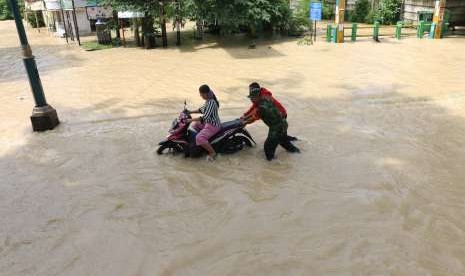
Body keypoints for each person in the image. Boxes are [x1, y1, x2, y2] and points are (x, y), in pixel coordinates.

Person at [242, 83, 300, 161]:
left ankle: (274, 167)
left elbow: (253, 117)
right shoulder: (262, 101)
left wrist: (244, 122)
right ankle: (299, 155)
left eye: (252, 97)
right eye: (250, 97)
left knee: (267, 148)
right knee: (286, 144)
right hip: (282, 124)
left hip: (277, 127)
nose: (251, 99)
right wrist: (243, 117)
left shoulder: (263, 107)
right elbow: (254, 110)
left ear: (258, 96)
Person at [186, 85, 222, 161]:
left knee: (199, 137)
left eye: (201, 94)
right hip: (207, 123)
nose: (200, 95)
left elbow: (205, 117)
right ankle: (203, 143)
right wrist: (190, 111)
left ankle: (212, 152)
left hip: (213, 125)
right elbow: (202, 110)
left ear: (205, 94)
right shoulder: (208, 100)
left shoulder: (211, 103)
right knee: (195, 125)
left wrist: (190, 120)